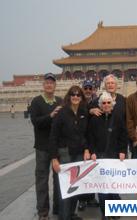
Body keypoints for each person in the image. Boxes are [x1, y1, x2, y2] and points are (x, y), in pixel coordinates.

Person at [50, 85, 88, 220]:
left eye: (78, 95)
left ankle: (71, 213)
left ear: (81, 97)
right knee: (65, 188)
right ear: (69, 96)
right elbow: (53, 136)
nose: (76, 97)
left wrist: (87, 149)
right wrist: (54, 158)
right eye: (73, 94)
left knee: (75, 185)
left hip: (78, 153)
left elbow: (87, 134)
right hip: (64, 153)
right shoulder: (62, 112)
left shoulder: (84, 112)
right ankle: (64, 216)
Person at [88, 91, 128, 217]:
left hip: (114, 156)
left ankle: (115, 210)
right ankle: (105, 212)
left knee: (114, 185)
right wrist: (92, 151)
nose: (106, 105)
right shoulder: (94, 119)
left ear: (112, 104)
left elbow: (123, 136)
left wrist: (122, 151)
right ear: (100, 104)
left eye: (108, 103)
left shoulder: (118, 118)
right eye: (103, 103)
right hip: (100, 156)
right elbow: (90, 138)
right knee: (102, 187)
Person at [30, 73, 62, 220]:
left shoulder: (60, 101)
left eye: (52, 83)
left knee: (58, 179)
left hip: (57, 147)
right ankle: (43, 212)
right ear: (44, 85)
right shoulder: (36, 102)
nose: (49, 85)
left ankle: (58, 208)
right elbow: (36, 122)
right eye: (47, 83)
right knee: (42, 180)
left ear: (55, 86)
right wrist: (51, 115)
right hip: (42, 147)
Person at [77, 80, 99, 211]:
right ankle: (81, 199)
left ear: (93, 89)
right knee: (82, 172)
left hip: (93, 140)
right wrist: (89, 110)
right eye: (86, 88)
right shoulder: (78, 102)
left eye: (90, 88)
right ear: (82, 89)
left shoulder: (97, 102)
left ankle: (90, 197)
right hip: (81, 141)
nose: (88, 90)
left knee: (92, 172)